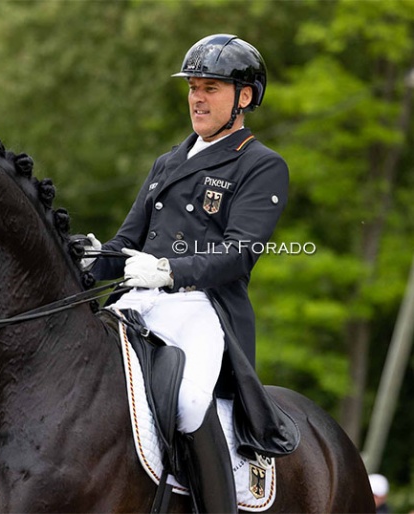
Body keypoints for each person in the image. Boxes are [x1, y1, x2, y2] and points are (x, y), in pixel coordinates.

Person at [85, 34, 289, 512]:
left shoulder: (261, 166)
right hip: (138, 299)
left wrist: (167, 270)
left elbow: (239, 253)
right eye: (193, 87)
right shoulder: (169, 162)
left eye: (211, 87)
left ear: (245, 97)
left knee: (191, 402)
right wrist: (87, 259)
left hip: (202, 307)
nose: (197, 97)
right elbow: (124, 245)